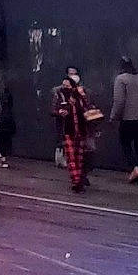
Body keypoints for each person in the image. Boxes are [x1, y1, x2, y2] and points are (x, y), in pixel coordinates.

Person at [53, 66, 93, 194]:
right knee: (71, 158)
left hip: (80, 129)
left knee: (80, 157)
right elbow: (54, 109)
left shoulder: (82, 94)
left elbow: (88, 107)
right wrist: (59, 111)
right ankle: (77, 182)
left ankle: (79, 179)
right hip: (68, 129)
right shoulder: (59, 93)